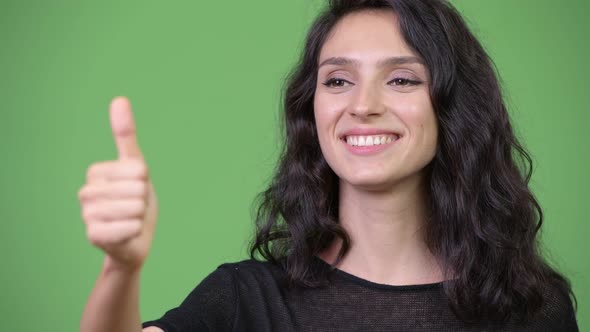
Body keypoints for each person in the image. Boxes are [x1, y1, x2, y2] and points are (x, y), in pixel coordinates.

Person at [78, 0, 579, 331]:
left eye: (401, 80)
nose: (362, 105)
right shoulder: (244, 301)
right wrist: (121, 270)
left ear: (453, 107)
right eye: (337, 81)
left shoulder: (534, 309)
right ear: (311, 108)